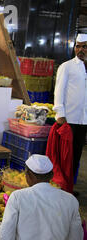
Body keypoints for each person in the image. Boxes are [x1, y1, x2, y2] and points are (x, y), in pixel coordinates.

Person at [53, 33, 87, 196]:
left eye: (84, 46)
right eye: (78, 46)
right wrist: (60, 113)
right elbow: (59, 90)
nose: (80, 50)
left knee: (76, 156)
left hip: (84, 120)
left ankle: (69, 189)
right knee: (65, 157)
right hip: (69, 119)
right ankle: (61, 188)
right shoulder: (66, 66)